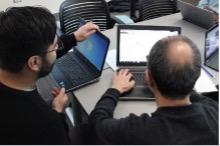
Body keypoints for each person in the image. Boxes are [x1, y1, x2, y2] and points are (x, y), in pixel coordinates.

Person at [89, 35, 218, 144]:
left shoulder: (139, 131)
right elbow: (201, 99)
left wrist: (115, 89)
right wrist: (180, 78)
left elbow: (95, 125)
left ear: (148, 78)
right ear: (198, 75)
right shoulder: (214, 110)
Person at [0, 6, 98, 144]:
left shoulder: (9, 57)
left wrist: (74, 37)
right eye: (55, 46)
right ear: (34, 62)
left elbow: (41, 54)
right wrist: (57, 112)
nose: (58, 47)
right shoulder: (45, 123)